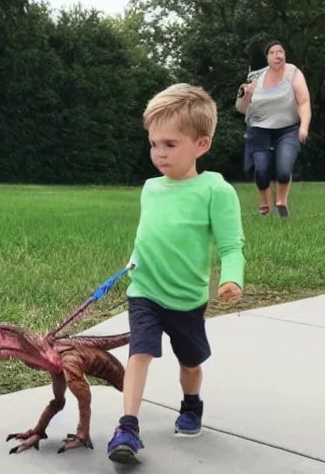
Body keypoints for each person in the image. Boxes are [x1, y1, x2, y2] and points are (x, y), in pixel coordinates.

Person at [106, 83, 245, 464]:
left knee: (190, 364)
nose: (159, 154)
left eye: (170, 144)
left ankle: (191, 404)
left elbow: (232, 245)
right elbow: (147, 234)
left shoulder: (215, 191)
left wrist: (232, 278)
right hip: (145, 290)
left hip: (186, 298)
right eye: (154, 144)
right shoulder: (150, 188)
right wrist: (132, 261)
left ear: (201, 145)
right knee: (140, 353)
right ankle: (127, 427)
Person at [235, 40, 311, 217]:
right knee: (261, 171)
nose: (278, 55)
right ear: (266, 57)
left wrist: (304, 127)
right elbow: (241, 109)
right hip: (260, 131)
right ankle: (265, 203)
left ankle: (281, 202)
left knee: (284, 169)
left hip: (288, 129)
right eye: (273, 52)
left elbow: (304, 101)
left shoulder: (293, 72)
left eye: (281, 52)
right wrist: (247, 95)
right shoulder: (256, 78)